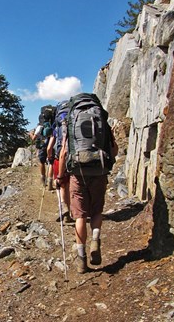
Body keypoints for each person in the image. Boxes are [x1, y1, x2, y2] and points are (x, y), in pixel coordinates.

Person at [59, 113, 118, 273]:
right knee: (97, 210)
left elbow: (64, 153)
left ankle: (81, 260)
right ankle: (95, 240)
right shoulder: (101, 122)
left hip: (78, 174)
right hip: (99, 171)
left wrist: (60, 175)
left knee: (80, 216)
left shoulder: (71, 124)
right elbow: (114, 149)